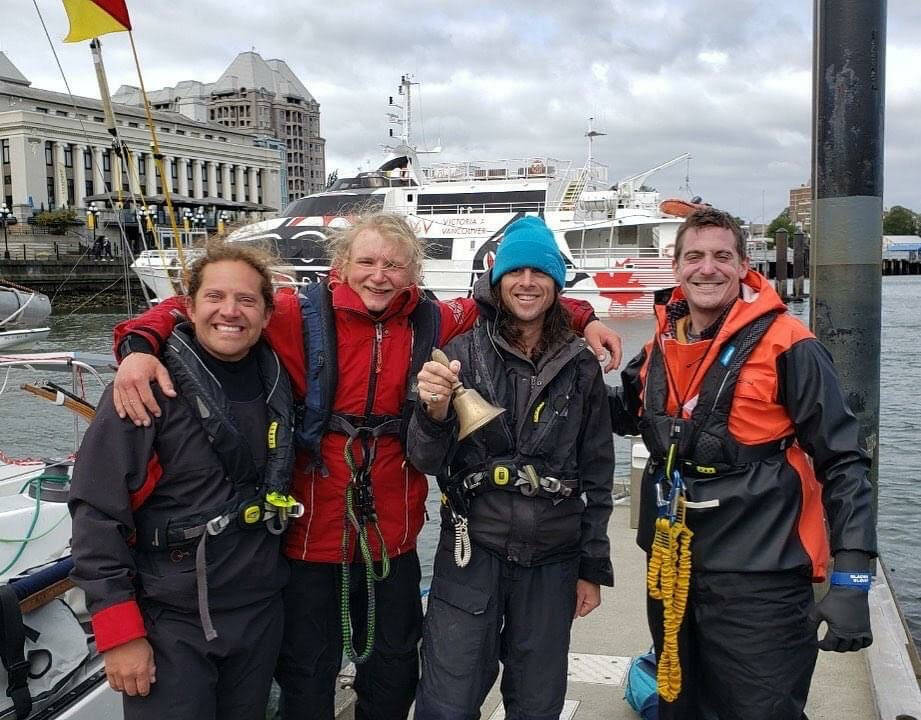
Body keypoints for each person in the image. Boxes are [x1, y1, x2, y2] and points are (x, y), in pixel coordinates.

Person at [109, 211, 623, 720]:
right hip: (309, 536)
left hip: (392, 537)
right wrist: (137, 346)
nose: (380, 276)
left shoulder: (432, 318)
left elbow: (518, 300)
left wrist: (585, 316)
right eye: (367, 262)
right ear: (342, 265)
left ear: (413, 274)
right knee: (307, 676)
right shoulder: (292, 313)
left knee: (395, 673)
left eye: (395, 266)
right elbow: (196, 308)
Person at [610, 207, 876, 719]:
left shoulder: (790, 345)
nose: (706, 269)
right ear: (676, 267)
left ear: (743, 265)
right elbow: (619, 412)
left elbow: (843, 462)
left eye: (721, 257)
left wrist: (852, 576)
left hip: (763, 574)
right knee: (678, 700)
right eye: (694, 257)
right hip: (673, 565)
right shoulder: (659, 345)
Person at [69, 242, 295, 720]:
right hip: (171, 622)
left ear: (267, 312)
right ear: (187, 308)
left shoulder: (279, 380)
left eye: (247, 300)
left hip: (258, 613)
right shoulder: (143, 390)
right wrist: (120, 634)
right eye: (214, 297)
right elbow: (95, 512)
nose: (229, 312)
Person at [407, 215, 615, 719]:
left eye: (540, 273)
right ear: (497, 280)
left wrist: (591, 567)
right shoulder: (459, 354)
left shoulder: (582, 364)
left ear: (556, 283)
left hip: (553, 558)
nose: (527, 283)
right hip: (471, 552)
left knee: (537, 703)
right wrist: (431, 413)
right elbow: (425, 458)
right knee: (445, 702)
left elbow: (598, 473)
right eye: (516, 272)